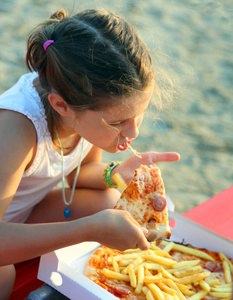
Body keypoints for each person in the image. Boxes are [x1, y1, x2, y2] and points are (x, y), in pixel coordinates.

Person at [0, 8, 180, 299]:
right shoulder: (16, 127)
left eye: (139, 115)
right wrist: (87, 230)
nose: (132, 133)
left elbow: (78, 177)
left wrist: (115, 174)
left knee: (109, 201)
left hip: (20, 216)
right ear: (61, 106)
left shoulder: (85, 109)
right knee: (2, 272)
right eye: (118, 122)